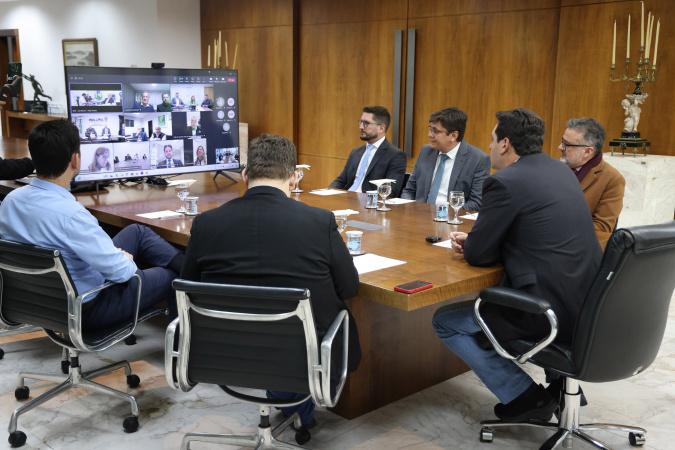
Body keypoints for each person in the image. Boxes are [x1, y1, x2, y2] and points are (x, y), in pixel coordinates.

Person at [432, 108, 602, 422]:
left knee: (446, 321)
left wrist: (474, 243)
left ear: (506, 143)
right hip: (586, 303)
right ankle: (558, 386)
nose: (489, 147)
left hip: (544, 310)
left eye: (492, 140)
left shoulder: (505, 182)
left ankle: (525, 398)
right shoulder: (561, 171)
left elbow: (478, 256)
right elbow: (538, 231)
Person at [181, 134, 361, 429]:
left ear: (245, 175)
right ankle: (294, 404)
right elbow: (349, 288)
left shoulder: (206, 224)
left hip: (223, 351)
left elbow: (188, 288)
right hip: (302, 354)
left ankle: (289, 402)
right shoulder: (319, 222)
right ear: (293, 177)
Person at [0, 119, 183, 328]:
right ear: (75, 160)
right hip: (87, 308)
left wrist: (113, 256)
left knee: (137, 232)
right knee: (172, 276)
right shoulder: (73, 216)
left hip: (39, 302)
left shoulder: (10, 202)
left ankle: (188, 267)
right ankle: (182, 329)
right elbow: (123, 273)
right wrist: (124, 259)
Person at [401, 107, 489, 211]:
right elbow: (409, 190)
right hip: (419, 214)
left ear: (453, 136)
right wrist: (408, 210)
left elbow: (476, 203)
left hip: (451, 217)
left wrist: (444, 214)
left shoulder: (478, 159)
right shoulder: (426, 151)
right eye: (430, 129)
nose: (429, 135)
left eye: (435, 131)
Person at [558, 117, 625, 233]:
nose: (559, 147)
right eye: (562, 141)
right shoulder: (556, 168)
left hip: (574, 242)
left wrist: (559, 234)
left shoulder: (612, 179)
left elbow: (602, 228)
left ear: (588, 152)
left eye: (566, 144)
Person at [329, 106, 406, 197]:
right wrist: (327, 194)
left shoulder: (395, 155)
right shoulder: (355, 152)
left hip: (369, 202)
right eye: (360, 122)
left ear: (381, 128)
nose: (361, 127)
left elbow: (391, 191)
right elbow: (340, 181)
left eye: (366, 123)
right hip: (347, 199)